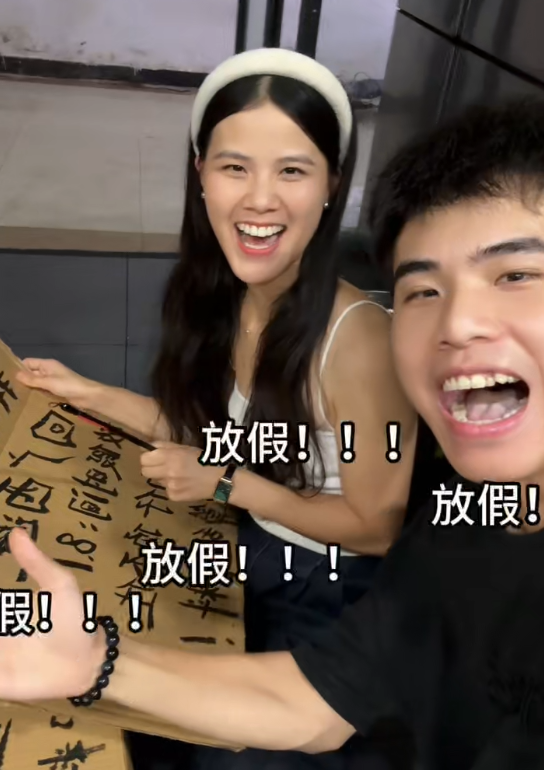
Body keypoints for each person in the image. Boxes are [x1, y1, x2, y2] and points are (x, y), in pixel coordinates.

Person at [14, 48, 417, 770]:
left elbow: (377, 528)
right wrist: (86, 392)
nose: (260, 200)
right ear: (200, 173)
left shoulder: (358, 341)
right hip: (253, 541)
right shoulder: (230, 293)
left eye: (292, 170)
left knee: (219, 750)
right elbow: (215, 438)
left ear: (333, 183)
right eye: (235, 167)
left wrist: (229, 485)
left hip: (331, 584)